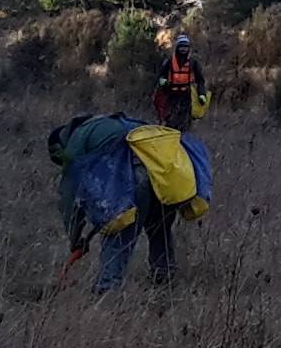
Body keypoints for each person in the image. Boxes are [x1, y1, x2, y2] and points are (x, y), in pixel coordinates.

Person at [49, 112, 187, 291]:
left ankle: (106, 290)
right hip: (166, 173)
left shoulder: (76, 139)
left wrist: (75, 238)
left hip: (137, 176)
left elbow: (69, 196)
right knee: (158, 227)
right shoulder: (115, 122)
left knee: (119, 232)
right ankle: (164, 280)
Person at [152, 30, 205, 131]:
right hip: (171, 94)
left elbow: (200, 80)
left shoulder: (193, 63)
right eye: (181, 47)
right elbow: (160, 75)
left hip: (187, 95)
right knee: (171, 120)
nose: (183, 49)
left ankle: (183, 139)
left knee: (185, 121)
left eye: (186, 47)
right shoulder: (169, 62)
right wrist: (162, 81)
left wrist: (201, 94)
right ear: (177, 47)